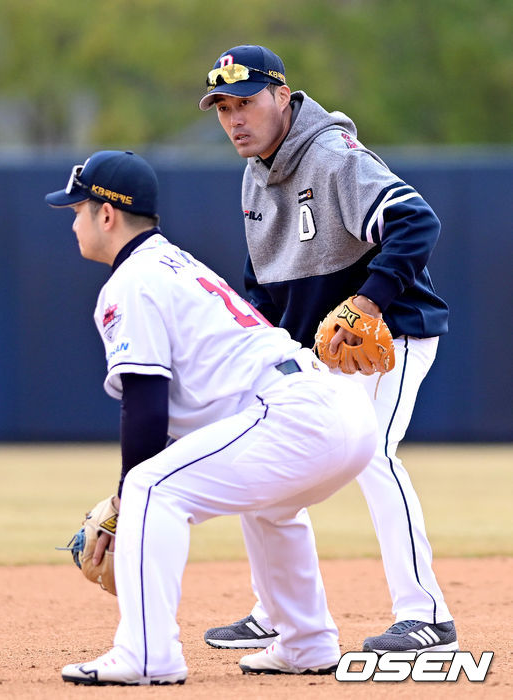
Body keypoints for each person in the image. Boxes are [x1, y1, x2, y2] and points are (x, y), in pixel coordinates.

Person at [45, 149, 378, 685]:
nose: (74, 221)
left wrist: (128, 501)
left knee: (152, 487)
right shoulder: (174, 262)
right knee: (271, 506)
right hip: (335, 405)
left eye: (78, 209)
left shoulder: (132, 282)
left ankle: (147, 655)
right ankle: (306, 641)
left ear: (107, 214)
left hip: (293, 412)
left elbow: (146, 402)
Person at [198, 44, 458, 654]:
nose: (235, 118)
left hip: (389, 339)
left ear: (283, 97)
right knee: (274, 465)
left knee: (374, 457)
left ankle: (429, 617)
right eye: (224, 107)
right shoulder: (254, 176)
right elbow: (262, 285)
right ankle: (279, 610)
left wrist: (368, 301)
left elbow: (418, 221)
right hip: (318, 352)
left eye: (247, 101)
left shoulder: (332, 155)